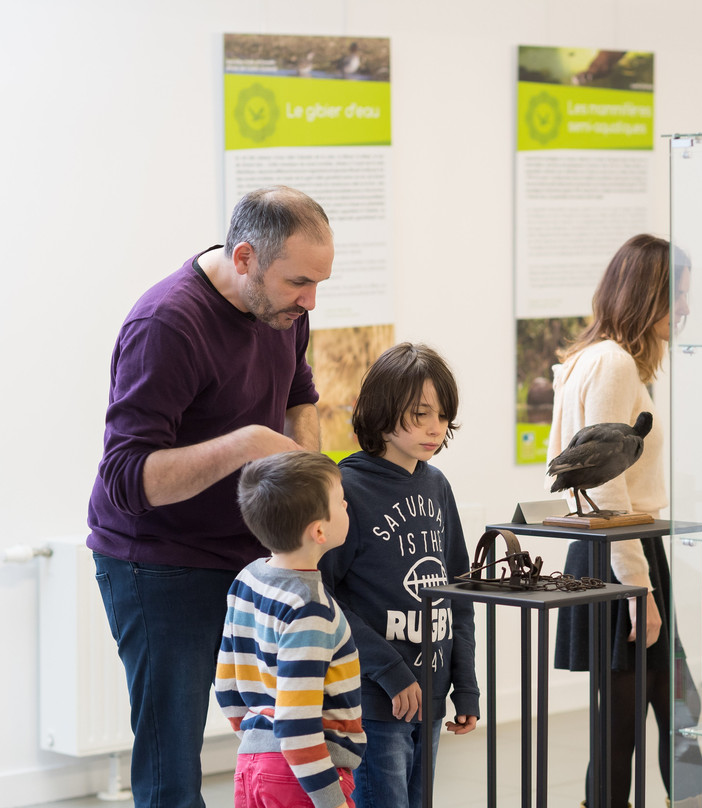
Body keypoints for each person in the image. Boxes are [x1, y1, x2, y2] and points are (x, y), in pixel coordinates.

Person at [87, 186, 334, 808]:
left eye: (318, 284)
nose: (309, 302)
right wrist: (248, 443)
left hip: (249, 553)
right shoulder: (167, 323)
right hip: (157, 558)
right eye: (299, 283)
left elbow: (299, 395)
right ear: (246, 257)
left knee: (274, 736)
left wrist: (308, 472)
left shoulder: (282, 311)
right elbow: (128, 476)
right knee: (173, 759)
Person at [549, 233, 701, 808]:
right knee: (632, 715)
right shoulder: (613, 363)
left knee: (659, 708)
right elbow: (608, 484)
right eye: (677, 296)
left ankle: (692, 800)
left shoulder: (595, 358)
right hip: (621, 549)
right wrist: (639, 590)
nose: (684, 309)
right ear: (646, 294)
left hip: (620, 548)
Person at [320, 342, 480, 808]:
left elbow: (459, 589)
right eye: (421, 413)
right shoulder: (345, 487)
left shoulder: (436, 484)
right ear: (382, 410)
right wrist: (389, 671)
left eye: (444, 416)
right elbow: (322, 595)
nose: (436, 428)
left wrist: (464, 685)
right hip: (374, 699)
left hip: (430, 695)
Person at [215, 451, 365, 808]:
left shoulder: (248, 578)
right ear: (319, 530)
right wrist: (332, 801)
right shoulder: (310, 608)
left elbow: (226, 685)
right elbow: (298, 725)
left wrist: (259, 743)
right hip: (302, 777)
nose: (347, 503)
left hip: (253, 763)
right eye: (339, 500)